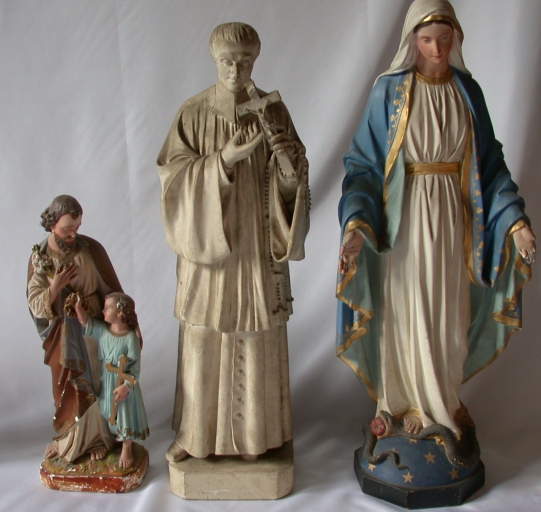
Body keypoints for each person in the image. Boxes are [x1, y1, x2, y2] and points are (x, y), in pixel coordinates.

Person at [336, 0, 535, 438]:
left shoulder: (467, 91)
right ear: (412, 41)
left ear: (456, 38)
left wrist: (516, 223)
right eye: (427, 40)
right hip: (405, 218)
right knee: (409, 307)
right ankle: (401, 402)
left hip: (453, 219)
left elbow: (491, 165)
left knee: (449, 312)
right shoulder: (390, 91)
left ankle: (442, 399)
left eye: (445, 39)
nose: (437, 49)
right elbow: (364, 166)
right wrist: (356, 226)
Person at [157, 22, 309, 461]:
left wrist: (286, 167)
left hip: (256, 249)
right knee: (203, 336)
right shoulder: (194, 113)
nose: (236, 70)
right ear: (214, 59)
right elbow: (172, 182)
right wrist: (223, 160)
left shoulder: (273, 111)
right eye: (227, 61)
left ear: (255, 60)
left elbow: (293, 181)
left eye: (245, 61)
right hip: (209, 252)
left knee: (253, 335)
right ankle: (196, 437)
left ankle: (254, 439)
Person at [28, 195, 123, 461]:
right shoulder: (41, 258)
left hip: (94, 327)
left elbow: (109, 288)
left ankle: (99, 438)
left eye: (77, 228)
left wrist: (123, 319)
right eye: (67, 229)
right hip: (64, 335)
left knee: (98, 382)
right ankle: (68, 439)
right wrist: (55, 287)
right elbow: (35, 304)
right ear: (52, 225)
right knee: (69, 388)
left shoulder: (90, 249)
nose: (73, 235)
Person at [75, 292, 149, 468]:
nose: (103, 311)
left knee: (124, 414)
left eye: (107, 308)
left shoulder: (130, 338)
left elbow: (135, 369)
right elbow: (86, 322)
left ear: (120, 312)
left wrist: (126, 387)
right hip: (106, 381)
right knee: (105, 410)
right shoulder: (102, 331)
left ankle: (126, 447)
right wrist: (78, 307)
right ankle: (108, 440)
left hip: (123, 384)